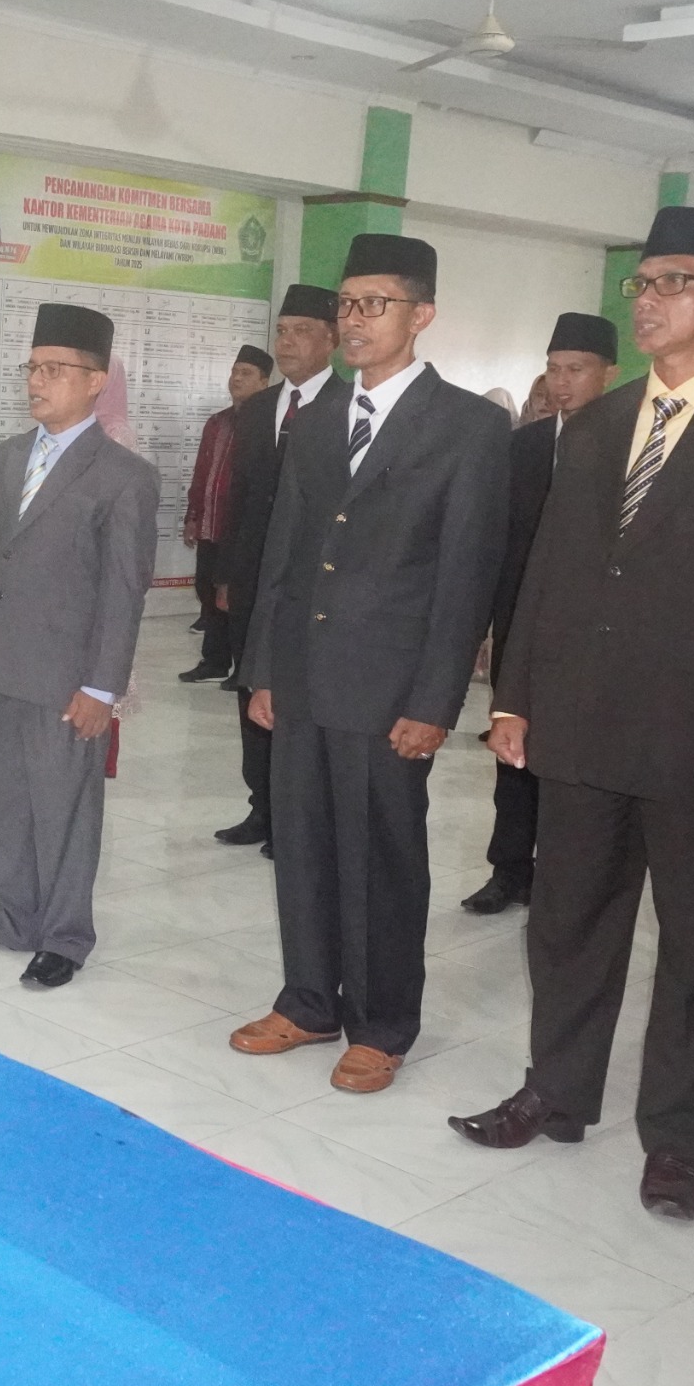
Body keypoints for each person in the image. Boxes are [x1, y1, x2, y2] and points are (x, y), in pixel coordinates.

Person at [450, 205, 694, 1223]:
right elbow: (548, 572)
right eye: (644, 282)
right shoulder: (595, 422)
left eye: (676, 281)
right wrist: (515, 695)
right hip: (581, 718)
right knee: (569, 922)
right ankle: (556, 1090)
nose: (652, 300)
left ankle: (678, 1136)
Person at [228, 235, 508, 1094]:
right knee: (304, 847)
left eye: (374, 304)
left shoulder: (467, 426)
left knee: (382, 860)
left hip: (390, 690)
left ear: (421, 316)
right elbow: (284, 551)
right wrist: (264, 669)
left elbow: (466, 576)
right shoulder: (316, 418)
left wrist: (435, 701)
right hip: (305, 677)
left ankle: (383, 1026)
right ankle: (310, 1002)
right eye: (347, 303)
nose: (354, 319)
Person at [0, 304, 159, 989]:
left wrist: (102, 688)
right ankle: (10, 914)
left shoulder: (123, 475)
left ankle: (64, 935)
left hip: (65, 678)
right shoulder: (4, 458)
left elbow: (123, 594)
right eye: (33, 367)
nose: (37, 381)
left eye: (55, 370)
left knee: (63, 810)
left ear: (95, 381)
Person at [462, 313, 619, 916]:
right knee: (513, 753)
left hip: (596, 636)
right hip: (522, 628)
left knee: (577, 761)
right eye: (553, 369)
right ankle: (508, 871)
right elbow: (494, 542)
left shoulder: (630, 448)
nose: (562, 382)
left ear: (609, 373)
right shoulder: (523, 446)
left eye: (576, 369)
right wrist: (484, 628)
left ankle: (566, 879)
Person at [214, 285, 344, 852]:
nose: (288, 343)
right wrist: (226, 575)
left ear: (332, 340)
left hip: (316, 583)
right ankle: (261, 806)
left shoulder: (349, 405)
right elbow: (239, 498)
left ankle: (301, 814)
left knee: (303, 697)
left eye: (302, 332)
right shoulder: (258, 409)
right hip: (254, 581)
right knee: (252, 692)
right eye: (282, 331)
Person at [179, 346, 273, 684]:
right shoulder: (217, 422)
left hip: (243, 530)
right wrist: (193, 516)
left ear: (264, 382)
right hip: (211, 525)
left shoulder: (267, 425)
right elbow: (201, 473)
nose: (237, 378)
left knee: (238, 596)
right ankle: (214, 662)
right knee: (208, 591)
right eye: (235, 371)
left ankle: (244, 668)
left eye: (246, 373)